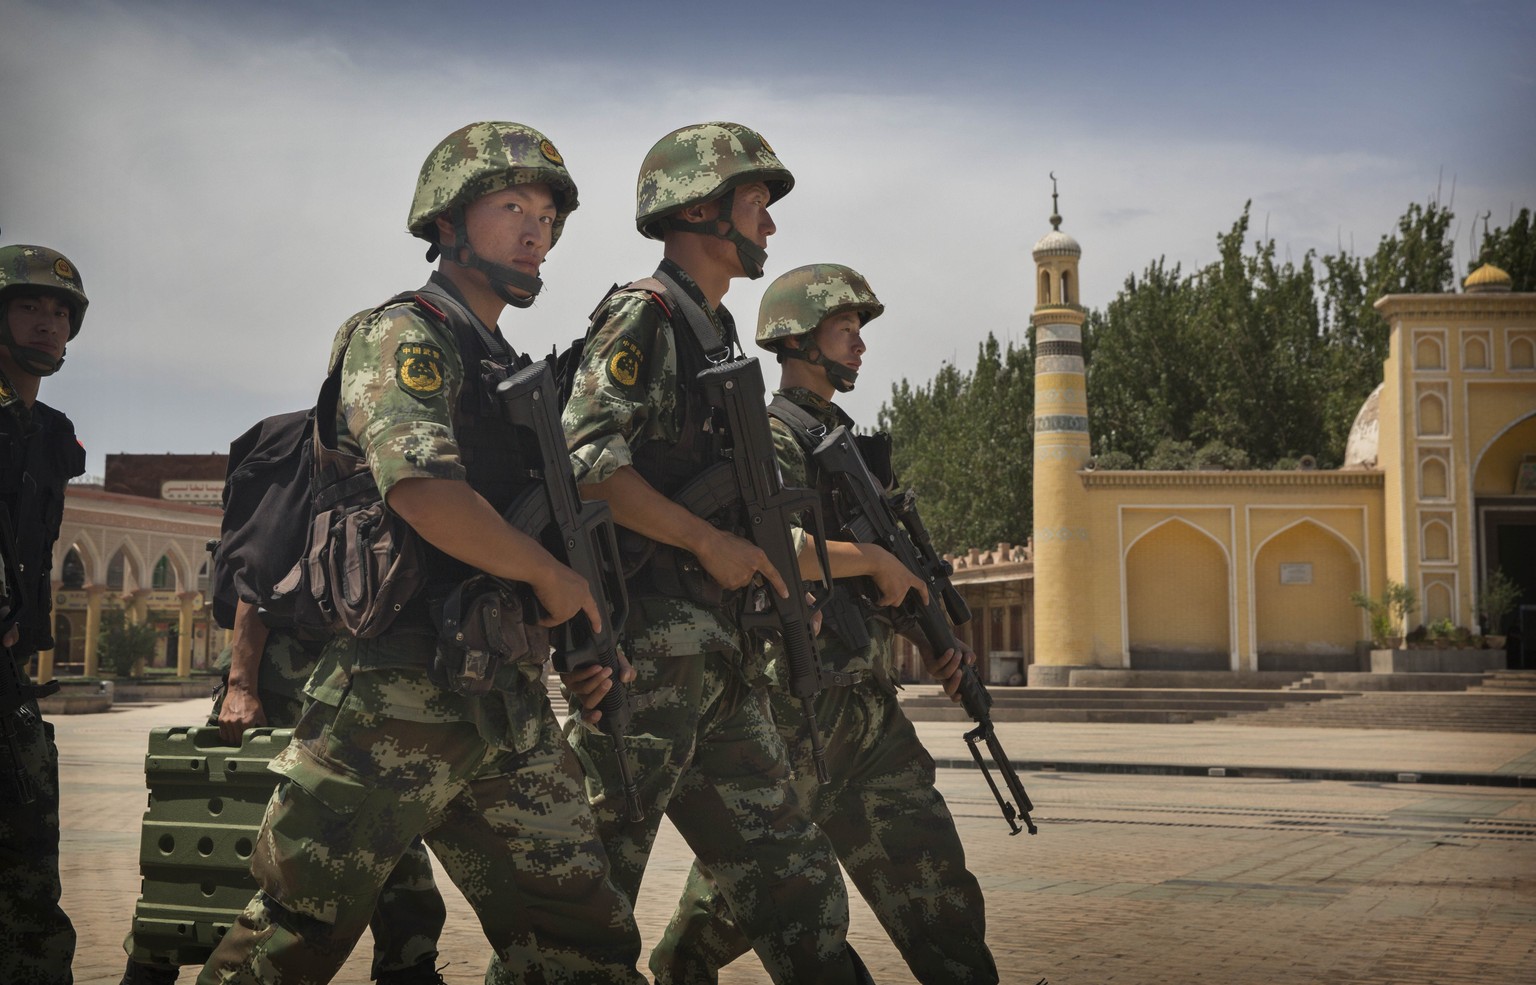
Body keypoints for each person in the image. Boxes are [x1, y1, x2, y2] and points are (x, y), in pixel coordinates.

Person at [197, 121, 644, 984]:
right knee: (294, 936)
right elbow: (421, 490)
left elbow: (543, 531)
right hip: (392, 694)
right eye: (512, 207)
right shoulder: (406, 334)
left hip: (506, 701)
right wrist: (547, 575)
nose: (536, 232)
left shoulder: (508, 369)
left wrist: (585, 637)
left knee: (584, 938)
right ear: (446, 222)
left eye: (548, 218)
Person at [560, 123, 873, 982]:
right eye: (755, 203)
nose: (769, 224)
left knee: (800, 888)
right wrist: (707, 540)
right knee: (580, 913)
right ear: (699, 208)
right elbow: (588, 462)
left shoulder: (716, 329)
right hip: (649, 658)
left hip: (721, 658)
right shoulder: (646, 316)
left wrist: (771, 577)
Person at [649, 263, 1000, 983]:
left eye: (860, 331)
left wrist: (930, 634)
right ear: (798, 339)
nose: (860, 344)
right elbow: (775, 546)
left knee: (933, 878)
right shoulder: (770, 436)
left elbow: (886, 580)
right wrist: (871, 558)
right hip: (794, 708)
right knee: (742, 901)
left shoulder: (847, 447)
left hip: (866, 707)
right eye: (845, 329)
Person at [119, 597, 449, 984]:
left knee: (385, 822)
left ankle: (410, 967)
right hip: (280, 674)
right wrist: (241, 685)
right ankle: (150, 966)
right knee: (214, 821)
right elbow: (254, 582)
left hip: (359, 676)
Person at [0, 243, 88, 985]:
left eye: (60, 313)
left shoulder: (49, 432)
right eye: (28, 306)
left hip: (11, 677)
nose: (47, 324)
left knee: (28, 872)